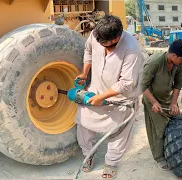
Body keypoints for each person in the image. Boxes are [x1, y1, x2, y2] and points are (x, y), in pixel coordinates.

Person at [75, 15, 144, 179]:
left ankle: (111, 163)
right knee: (83, 123)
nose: (99, 44)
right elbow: (88, 50)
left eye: (104, 43)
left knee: (118, 133)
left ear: (116, 38)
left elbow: (126, 83)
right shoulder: (96, 35)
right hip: (96, 90)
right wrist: (85, 73)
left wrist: (103, 97)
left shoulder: (131, 49)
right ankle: (88, 154)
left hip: (121, 98)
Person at [141, 39, 182, 171]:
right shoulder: (155, 62)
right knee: (159, 128)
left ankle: (171, 151)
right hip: (151, 98)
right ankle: (159, 157)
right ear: (173, 55)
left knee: (176, 121)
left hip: (167, 98)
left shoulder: (179, 63)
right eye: (181, 58)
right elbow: (142, 85)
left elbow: (178, 83)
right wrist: (154, 102)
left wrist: (174, 103)